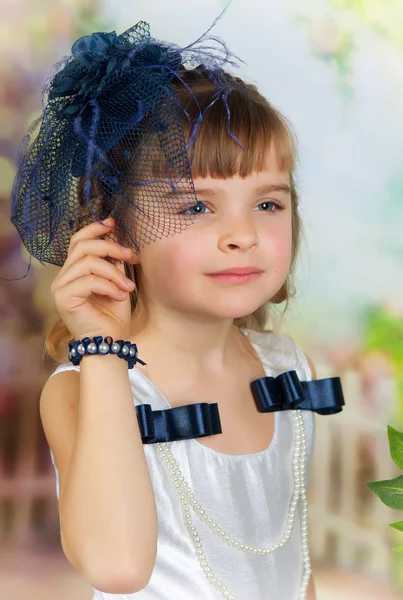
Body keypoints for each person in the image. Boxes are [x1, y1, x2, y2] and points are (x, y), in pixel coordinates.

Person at [11, 16, 344, 600]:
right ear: (115, 228)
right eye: (195, 208)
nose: (241, 234)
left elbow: (295, 560)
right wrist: (103, 351)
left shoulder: (287, 368)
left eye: (267, 203)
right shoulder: (82, 390)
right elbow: (117, 568)